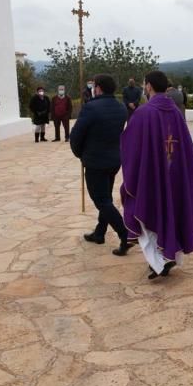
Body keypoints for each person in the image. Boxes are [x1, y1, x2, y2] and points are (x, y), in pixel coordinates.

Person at [121, 71, 193, 278]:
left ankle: (159, 261)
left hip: (151, 175)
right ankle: (169, 256)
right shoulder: (175, 112)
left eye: (145, 85)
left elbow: (131, 146)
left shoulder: (144, 113)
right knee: (171, 210)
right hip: (175, 173)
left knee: (148, 210)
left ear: (149, 86)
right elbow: (186, 147)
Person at [70, 74, 133, 255]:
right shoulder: (121, 107)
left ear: (98, 88)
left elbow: (76, 136)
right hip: (114, 160)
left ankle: (125, 234)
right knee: (106, 197)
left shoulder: (91, 107)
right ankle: (100, 232)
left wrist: (80, 154)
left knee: (101, 200)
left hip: (95, 162)